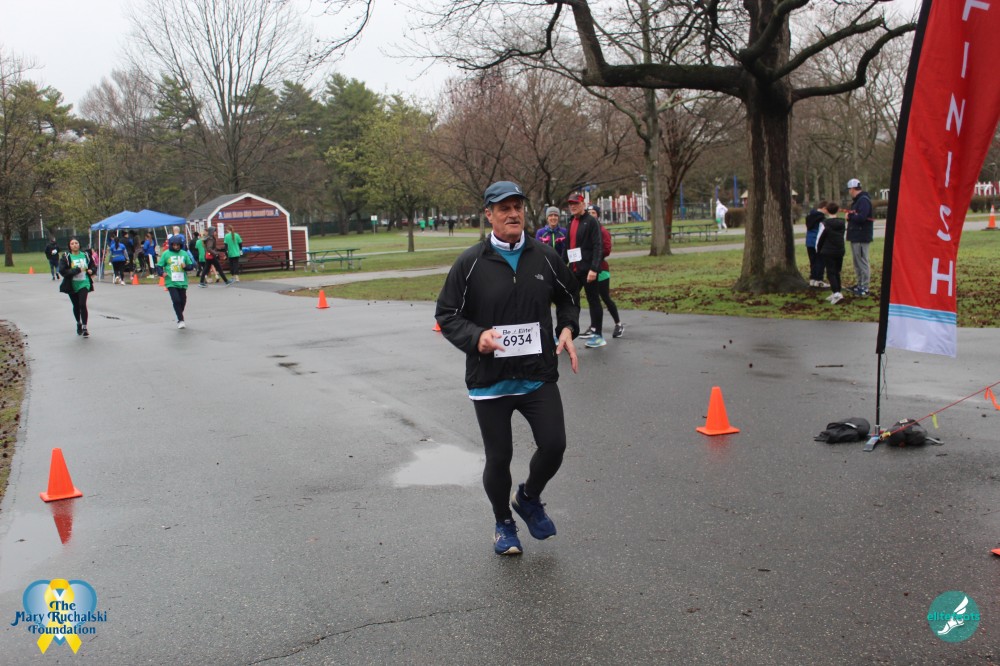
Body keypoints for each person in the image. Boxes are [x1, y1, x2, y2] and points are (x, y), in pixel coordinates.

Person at [435, 180, 580, 556]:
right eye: (504, 208)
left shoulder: (545, 256)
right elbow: (447, 314)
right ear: (489, 215)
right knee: (499, 458)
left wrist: (567, 327)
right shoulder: (470, 263)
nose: (513, 214)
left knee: (555, 445)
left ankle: (528, 498)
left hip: (536, 374)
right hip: (490, 380)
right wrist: (476, 337)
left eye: (518, 207)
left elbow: (569, 297)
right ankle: (503, 523)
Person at [565, 193, 606, 348]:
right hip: (574, 270)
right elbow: (568, 248)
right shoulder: (571, 222)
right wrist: (561, 267)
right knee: (569, 301)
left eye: (576, 203)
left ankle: (598, 335)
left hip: (588, 270)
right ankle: (565, 332)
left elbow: (598, 246)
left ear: (583, 204)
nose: (573, 206)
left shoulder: (591, 221)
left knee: (593, 300)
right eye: (570, 204)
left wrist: (594, 269)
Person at [588, 205, 625, 338]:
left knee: (605, 297)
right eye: (589, 212)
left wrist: (594, 256)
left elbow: (607, 249)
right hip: (589, 269)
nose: (591, 215)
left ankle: (618, 324)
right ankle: (593, 326)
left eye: (593, 212)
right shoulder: (587, 230)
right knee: (592, 299)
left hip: (602, 269)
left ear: (598, 215)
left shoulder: (602, 231)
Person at [58, 238, 98, 337]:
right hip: (71, 284)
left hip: (84, 283)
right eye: (72, 243)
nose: (75, 245)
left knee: (82, 304)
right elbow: (63, 271)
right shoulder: (66, 257)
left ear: (79, 245)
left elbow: (93, 266)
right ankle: (78, 322)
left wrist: (92, 270)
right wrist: (76, 270)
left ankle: (85, 327)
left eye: (76, 243)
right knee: (76, 306)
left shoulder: (86, 255)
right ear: (69, 246)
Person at [157, 235, 195, 328]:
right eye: (174, 245)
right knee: (176, 300)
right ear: (171, 245)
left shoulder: (184, 253)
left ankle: (179, 313)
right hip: (171, 281)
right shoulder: (166, 254)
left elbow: (191, 266)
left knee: (183, 301)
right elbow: (159, 266)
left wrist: (186, 266)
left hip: (182, 281)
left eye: (178, 245)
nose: (176, 247)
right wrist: (162, 273)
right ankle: (180, 320)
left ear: (180, 245)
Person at [846, 178, 874, 296]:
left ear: (853, 189)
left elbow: (862, 217)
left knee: (862, 262)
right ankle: (859, 284)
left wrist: (850, 217)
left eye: (849, 190)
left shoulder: (863, 201)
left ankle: (865, 287)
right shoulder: (857, 201)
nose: (849, 192)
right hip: (855, 236)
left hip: (861, 236)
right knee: (857, 262)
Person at [816, 202, 846, 304]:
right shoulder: (842, 223)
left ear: (827, 211)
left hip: (828, 251)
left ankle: (836, 293)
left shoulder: (824, 223)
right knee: (837, 271)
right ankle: (837, 291)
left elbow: (820, 238)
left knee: (830, 273)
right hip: (839, 250)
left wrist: (818, 249)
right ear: (837, 210)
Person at [804, 202, 829, 288]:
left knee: (813, 261)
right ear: (824, 208)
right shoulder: (821, 218)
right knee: (820, 261)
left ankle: (813, 278)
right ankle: (819, 279)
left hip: (809, 242)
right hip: (818, 242)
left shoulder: (810, 216)